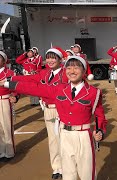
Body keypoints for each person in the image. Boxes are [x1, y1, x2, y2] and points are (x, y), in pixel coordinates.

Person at [2, 56, 107, 180]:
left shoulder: (94, 93)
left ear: (84, 71)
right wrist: (8, 83)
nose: (72, 71)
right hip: (64, 135)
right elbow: (34, 88)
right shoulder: (59, 89)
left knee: (87, 174)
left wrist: (100, 130)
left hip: (83, 136)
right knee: (68, 174)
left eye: (76, 67)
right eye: (68, 67)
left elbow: (100, 115)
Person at [9, 47, 68, 179]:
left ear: (60, 59)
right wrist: (11, 78)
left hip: (61, 110)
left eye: (54, 57)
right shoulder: (44, 73)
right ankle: (57, 167)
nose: (50, 60)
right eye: (48, 57)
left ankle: (67, 166)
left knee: (63, 138)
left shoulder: (65, 73)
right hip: (48, 110)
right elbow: (30, 79)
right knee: (53, 139)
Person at [0, 51, 19, 161]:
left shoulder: (10, 73)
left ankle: (9, 151)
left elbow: (16, 87)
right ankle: (1, 151)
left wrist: (15, 96)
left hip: (5, 100)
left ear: (4, 60)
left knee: (7, 126)